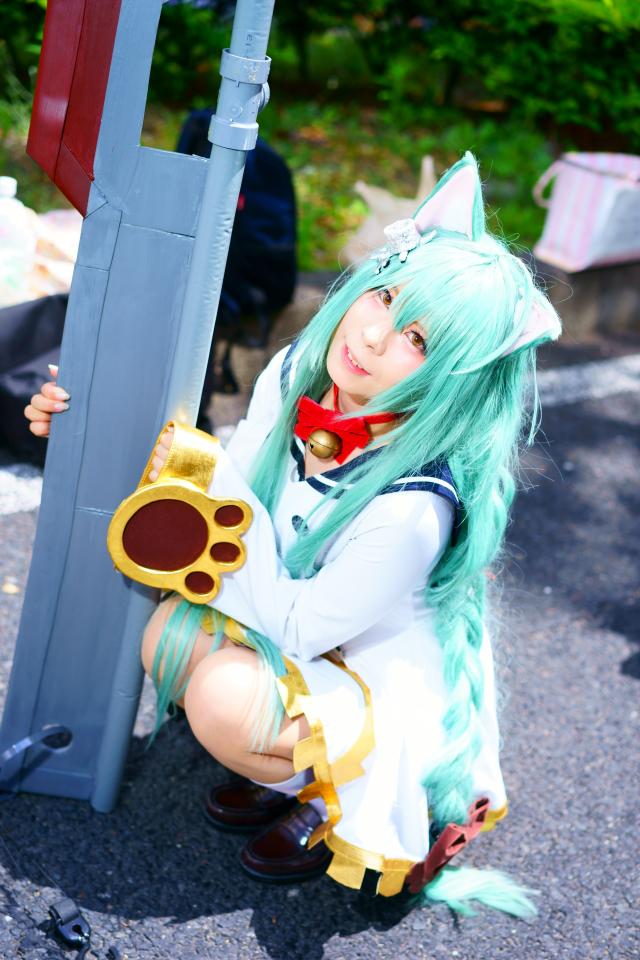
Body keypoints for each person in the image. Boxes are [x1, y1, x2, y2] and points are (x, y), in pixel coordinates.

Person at [25, 153, 561, 915]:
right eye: (384, 295)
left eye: (417, 339)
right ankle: (293, 769)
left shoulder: (415, 506)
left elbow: (295, 614)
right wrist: (86, 423)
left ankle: (330, 792)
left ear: (457, 375)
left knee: (222, 694)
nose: (371, 335)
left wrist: (207, 503)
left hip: (371, 679)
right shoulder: (299, 372)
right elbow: (233, 481)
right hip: (295, 620)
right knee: (171, 636)